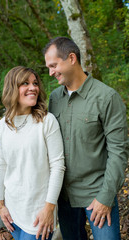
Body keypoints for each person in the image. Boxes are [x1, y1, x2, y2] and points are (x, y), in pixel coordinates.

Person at [43, 36, 129, 240]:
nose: (51, 72)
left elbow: (119, 153)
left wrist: (106, 197)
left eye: (54, 65)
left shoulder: (107, 97)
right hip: (64, 198)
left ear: (71, 58)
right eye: (48, 67)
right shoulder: (54, 98)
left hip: (97, 195)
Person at [0, 66, 65, 240]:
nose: (33, 87)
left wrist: (49, 209)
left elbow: (58, 166)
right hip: (12, 211)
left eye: (34, 83)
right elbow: (0, 165)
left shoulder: (47, 121)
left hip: (38, 214)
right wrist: (0, 205)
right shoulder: (2, 125)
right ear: (12, 88)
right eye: (25, 83)